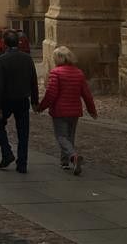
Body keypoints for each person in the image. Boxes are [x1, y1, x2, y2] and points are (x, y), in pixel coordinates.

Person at [37, 46, 97, 175]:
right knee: (70, 136)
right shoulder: (79, 73)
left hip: (60, 110)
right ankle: (65, 162)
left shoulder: (56, 73)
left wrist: (41, 107)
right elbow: (86, 94)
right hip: (74, 110)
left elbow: (51, 94)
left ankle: (73, 156)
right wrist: (92, 110)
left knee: (61, 136)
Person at [0, 29, 39, 174]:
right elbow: (33, 81)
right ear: (18, 42)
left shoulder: (2, 59)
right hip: (23, 100)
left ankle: (7, 153)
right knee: (23, 132)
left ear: (5, 43)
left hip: (7, 100)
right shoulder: (27, 58)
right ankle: (22, 163)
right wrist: (34, 101)